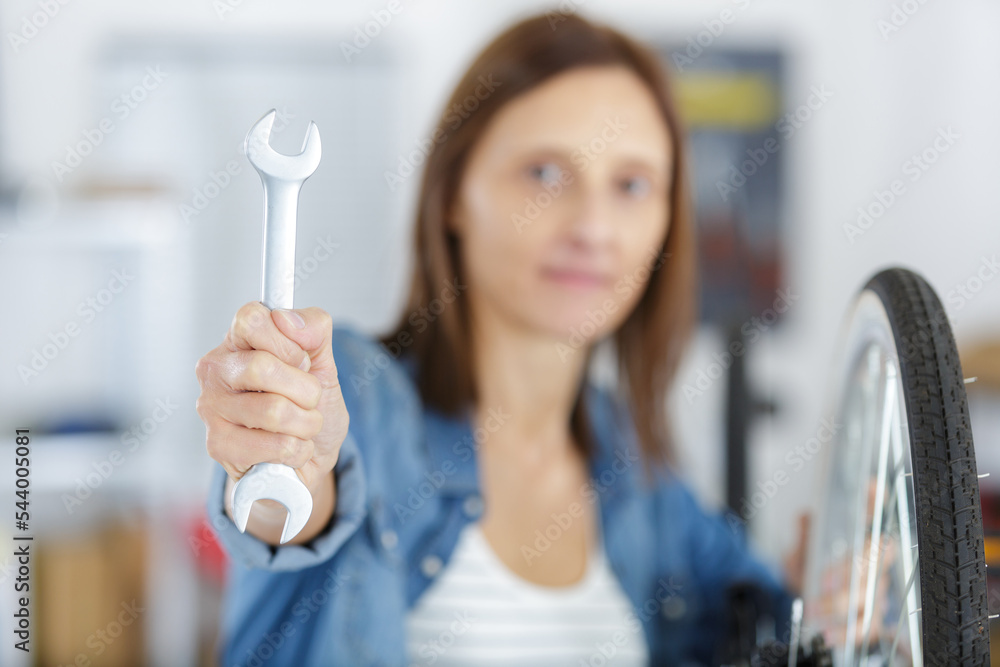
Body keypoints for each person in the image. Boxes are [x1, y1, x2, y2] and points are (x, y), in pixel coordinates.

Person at [196, 11, 806, 666]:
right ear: (455, 191)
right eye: (545, 174)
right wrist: (281, 461)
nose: (594, 226)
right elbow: (293, 501)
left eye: (631, 184)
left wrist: (829, 586)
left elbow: (777, 614)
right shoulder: (355, 395)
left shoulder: (638, 472)